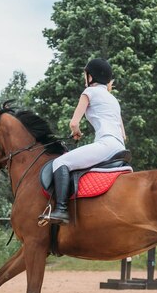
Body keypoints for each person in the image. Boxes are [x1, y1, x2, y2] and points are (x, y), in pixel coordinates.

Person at [47, 58, 126, 225]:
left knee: (60, 162)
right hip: (120, 148)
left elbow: (74, 123)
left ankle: (61, 210)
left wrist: (76, 132)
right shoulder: (113, 100)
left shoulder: (89, 92)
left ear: (91, 77)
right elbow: (123, 133)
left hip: (106, 144)